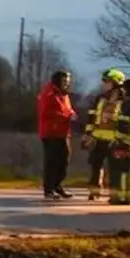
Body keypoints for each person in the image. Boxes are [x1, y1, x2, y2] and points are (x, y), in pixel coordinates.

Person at [82, 68, 126, 200]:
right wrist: (88, 134)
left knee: (115, 168)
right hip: (97, 138)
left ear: (116, 82)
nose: (104, 84)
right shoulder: (100, 98)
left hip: (114, 140)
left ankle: (114, 194)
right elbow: (92, 116)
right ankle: (94, 191)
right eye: (104, 81)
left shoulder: (124, 100)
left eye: (107, 81)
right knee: (95, 166)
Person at [37, 69, 77, 199]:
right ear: (57, 81)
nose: (67, 84)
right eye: (65, 81)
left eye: (68, 81)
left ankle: (58, 185)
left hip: (63, 133)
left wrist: (71, 113)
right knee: (52, 161)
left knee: (64, 159)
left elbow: (68, 109)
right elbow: (47, 112)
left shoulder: (64, 95)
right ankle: (49, 189)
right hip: (51, 132)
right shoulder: (49, 93)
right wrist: (67, 117)